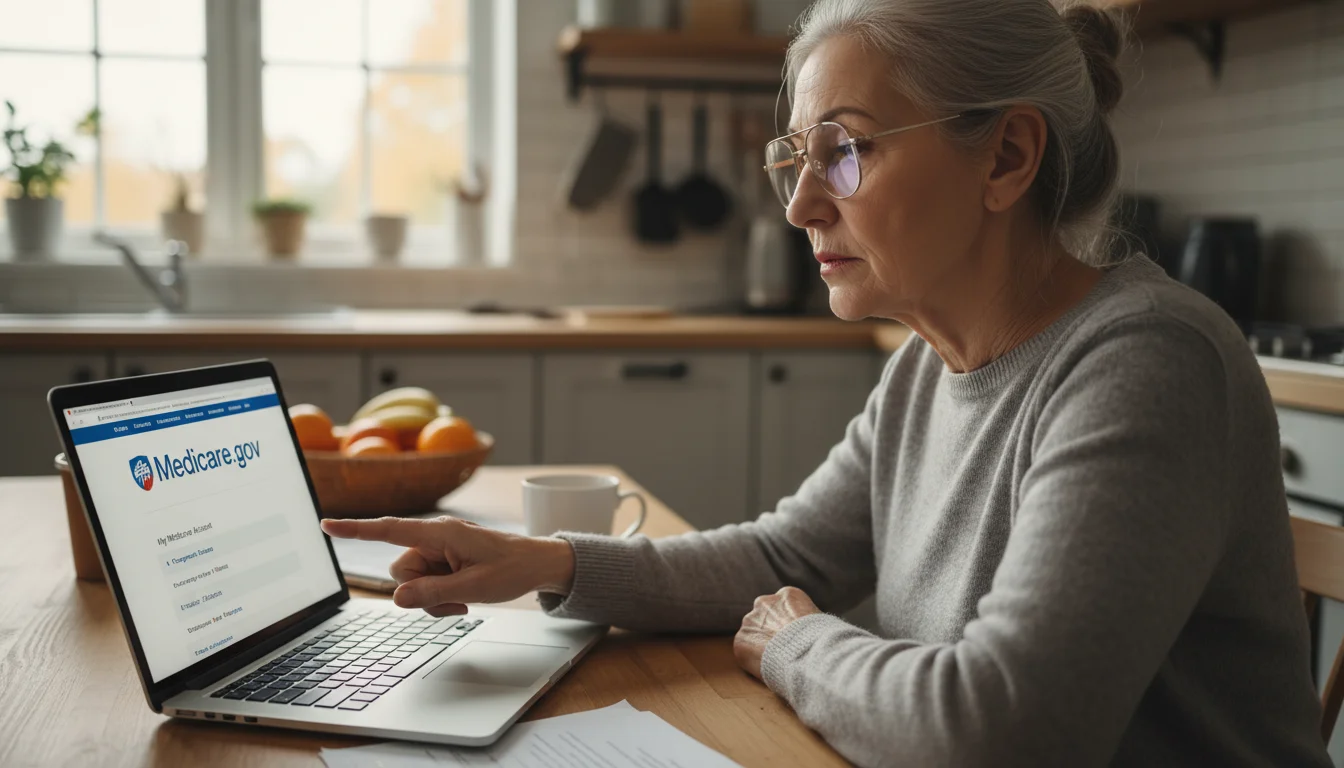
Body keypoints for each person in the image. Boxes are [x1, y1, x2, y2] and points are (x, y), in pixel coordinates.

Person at [321, 0, 1332, 764]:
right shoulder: (931, 368)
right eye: (796, 157)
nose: (801, 204)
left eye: (845, 151)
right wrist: (541, 562)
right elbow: (782, 554)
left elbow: (1005, 728)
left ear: (1007, 157)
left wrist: (802, 646)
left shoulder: (1145, 361)